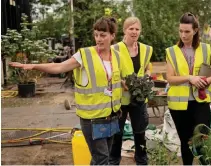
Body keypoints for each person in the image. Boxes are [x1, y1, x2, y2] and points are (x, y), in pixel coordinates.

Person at [9, 17, 122, 165]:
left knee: (100, 158)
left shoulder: (117, 57)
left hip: (111, 116)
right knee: (102, 158)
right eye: (96, 35)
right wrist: (33, 66)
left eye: (103, 35)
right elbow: (60, 67)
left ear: (112, 36)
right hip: (92, 118)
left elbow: (115, 81)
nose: (98, 39)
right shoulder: (85, 55)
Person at [166, 13, 211, 165]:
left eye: (187, 31)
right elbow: (170, 79)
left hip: (201, 101)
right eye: (181, 31)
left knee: (203, 140)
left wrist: (207, 80)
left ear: (195, 30)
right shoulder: (171, 52)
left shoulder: (206, 49)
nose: (183, 35)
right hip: (179, 105)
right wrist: (189, 78)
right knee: (185, 143)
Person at [110, 16, 153, 165]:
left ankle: (142, 160)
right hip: (120, 98)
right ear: (124, 30)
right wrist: (121, 82)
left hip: (139, 98)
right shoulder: (114, 49)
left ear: (140, 31)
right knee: (117, 133)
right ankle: (114, 160)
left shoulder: (146, 49)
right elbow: (109, 70)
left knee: (140, 132)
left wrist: (146, 77)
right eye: (131, 29)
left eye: (137, 29)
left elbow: (147, 67)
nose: (134, 32)